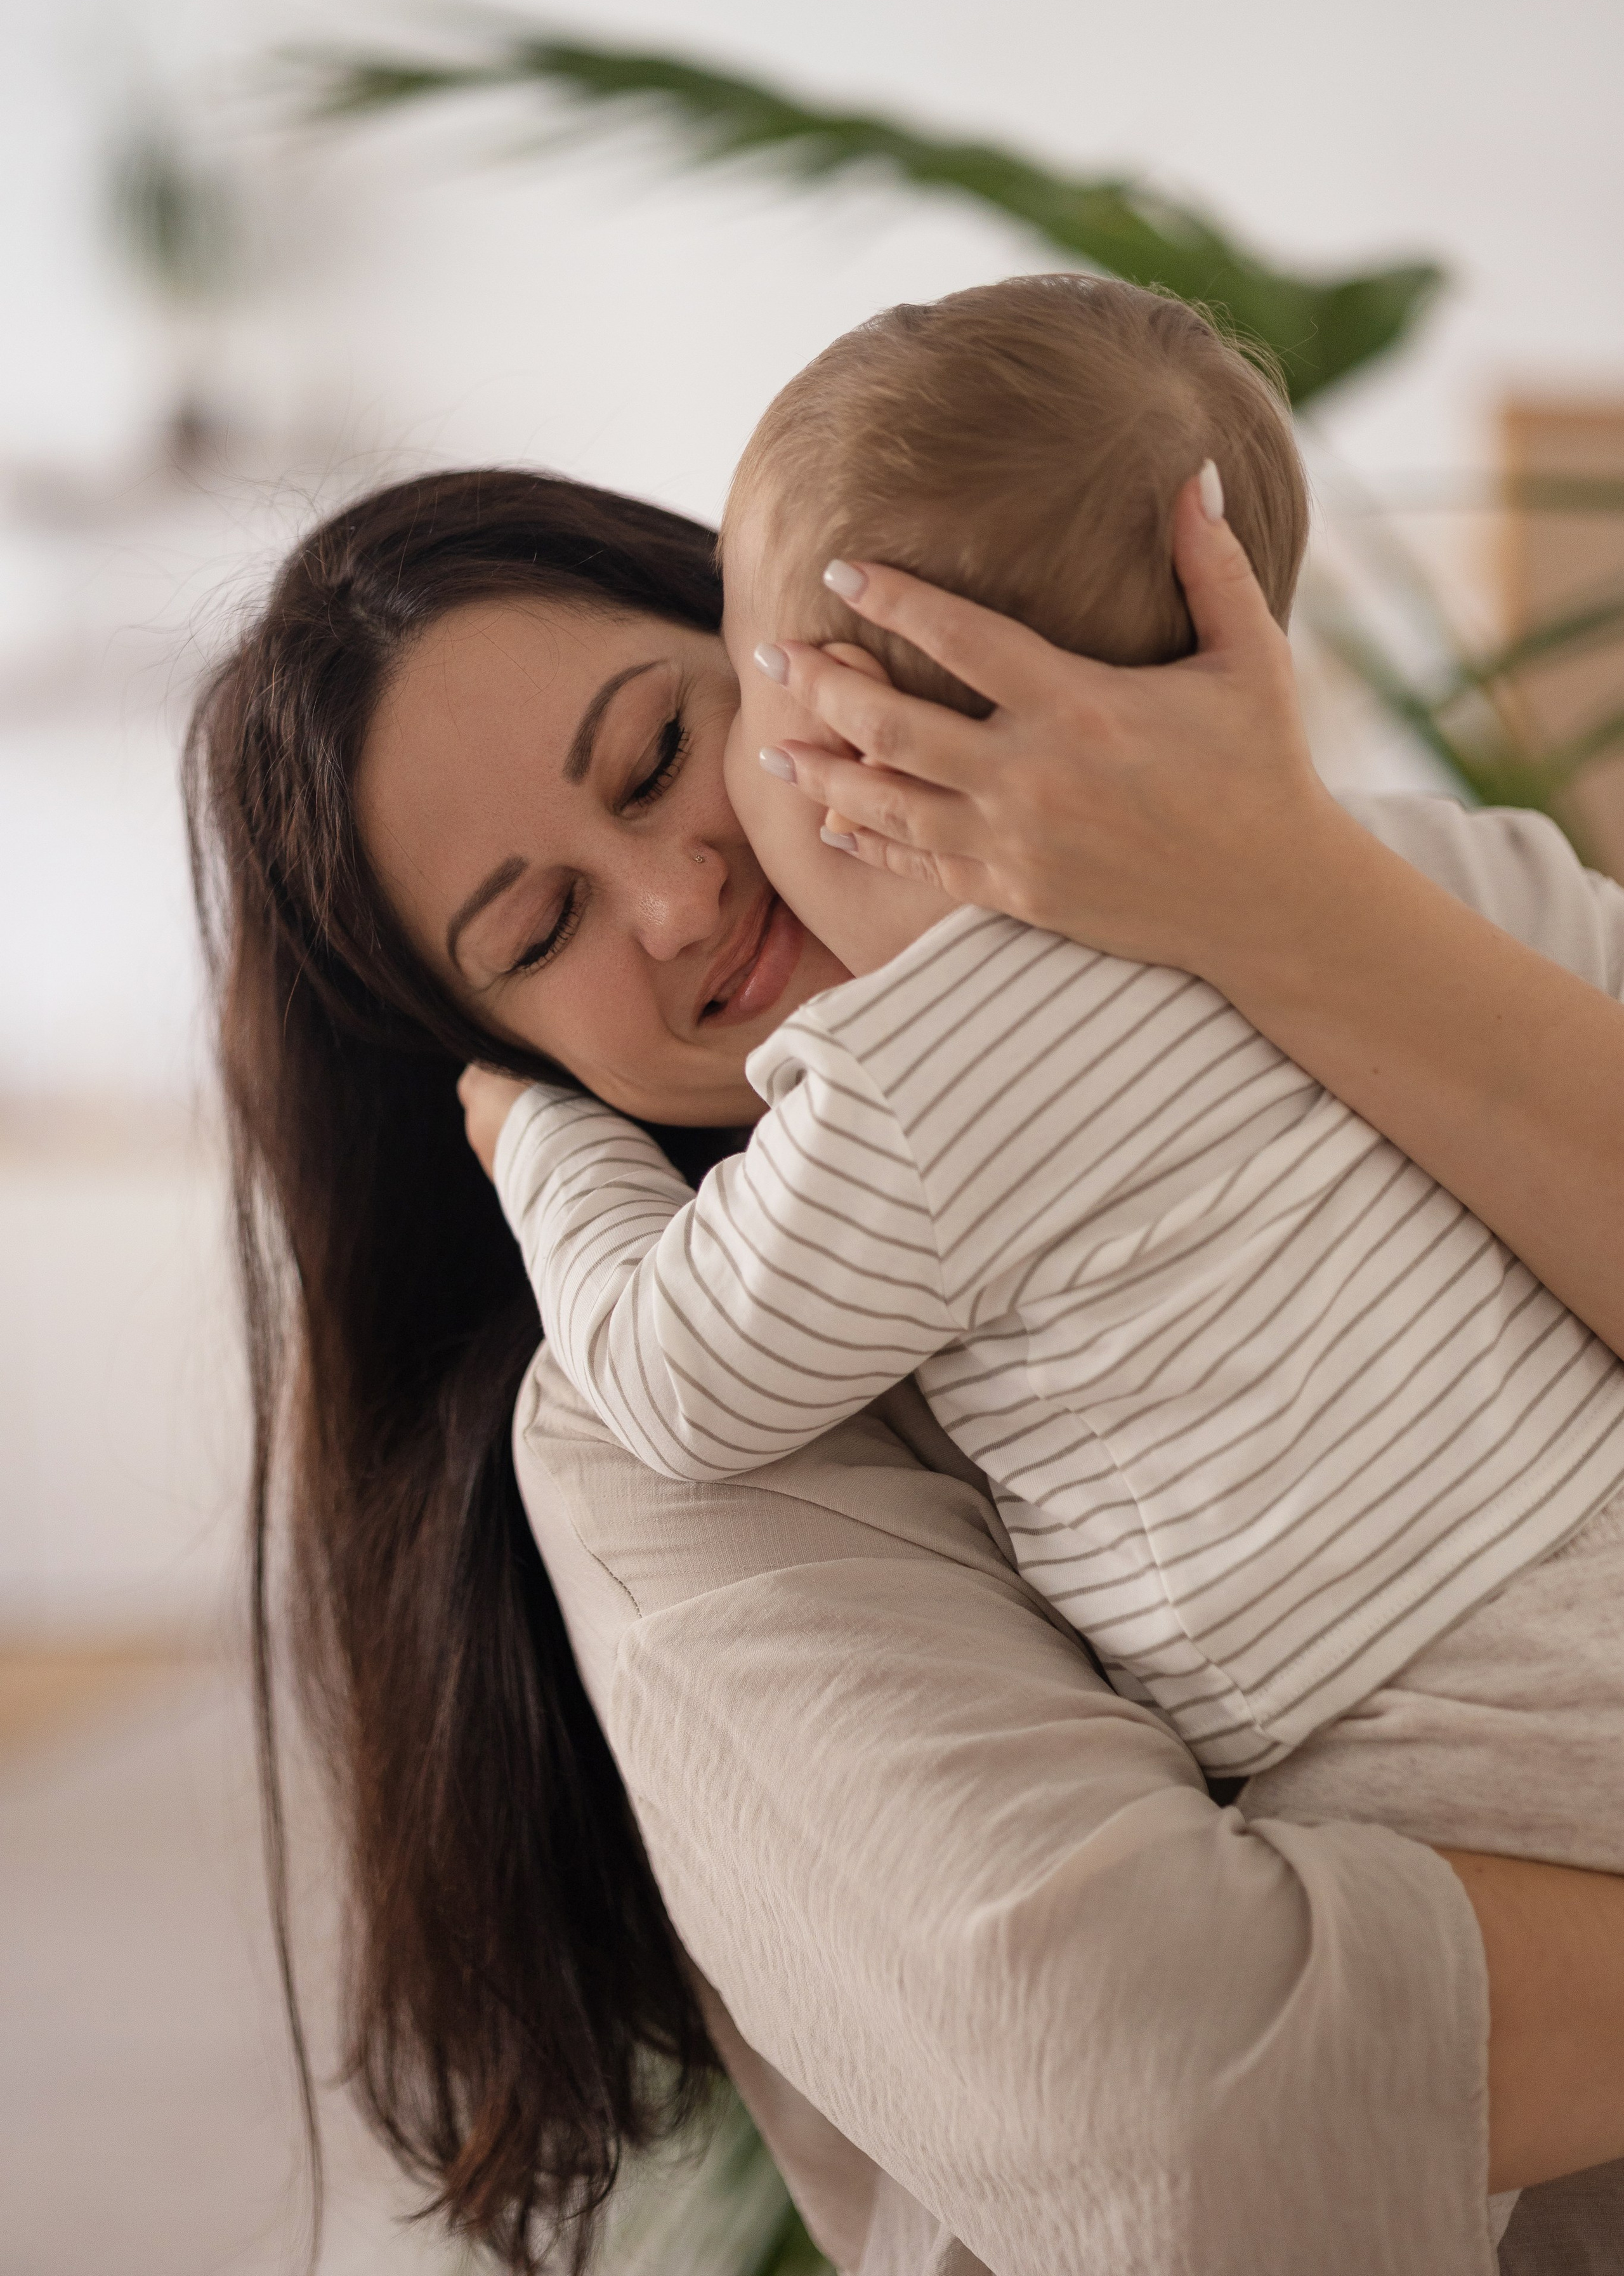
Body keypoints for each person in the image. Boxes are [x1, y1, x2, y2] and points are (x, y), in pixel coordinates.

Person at [188, 464, 1624, 2276]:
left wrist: (1295, 905)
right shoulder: (661, 1445)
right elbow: (1166, 2091)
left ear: (796, 648)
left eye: (654, 761)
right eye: (537, 932)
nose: (673, 901)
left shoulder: (1396, 884)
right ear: (500, 1059)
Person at [471, 281, 1624, 1904]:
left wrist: (541, 1141)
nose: (677, 897)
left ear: (850, 760)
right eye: (536, 928)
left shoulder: (910, 1085)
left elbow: (674, 1381)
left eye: (700, 728)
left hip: (1425, 1726)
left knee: (1339, 2067)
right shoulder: (1413, 871)